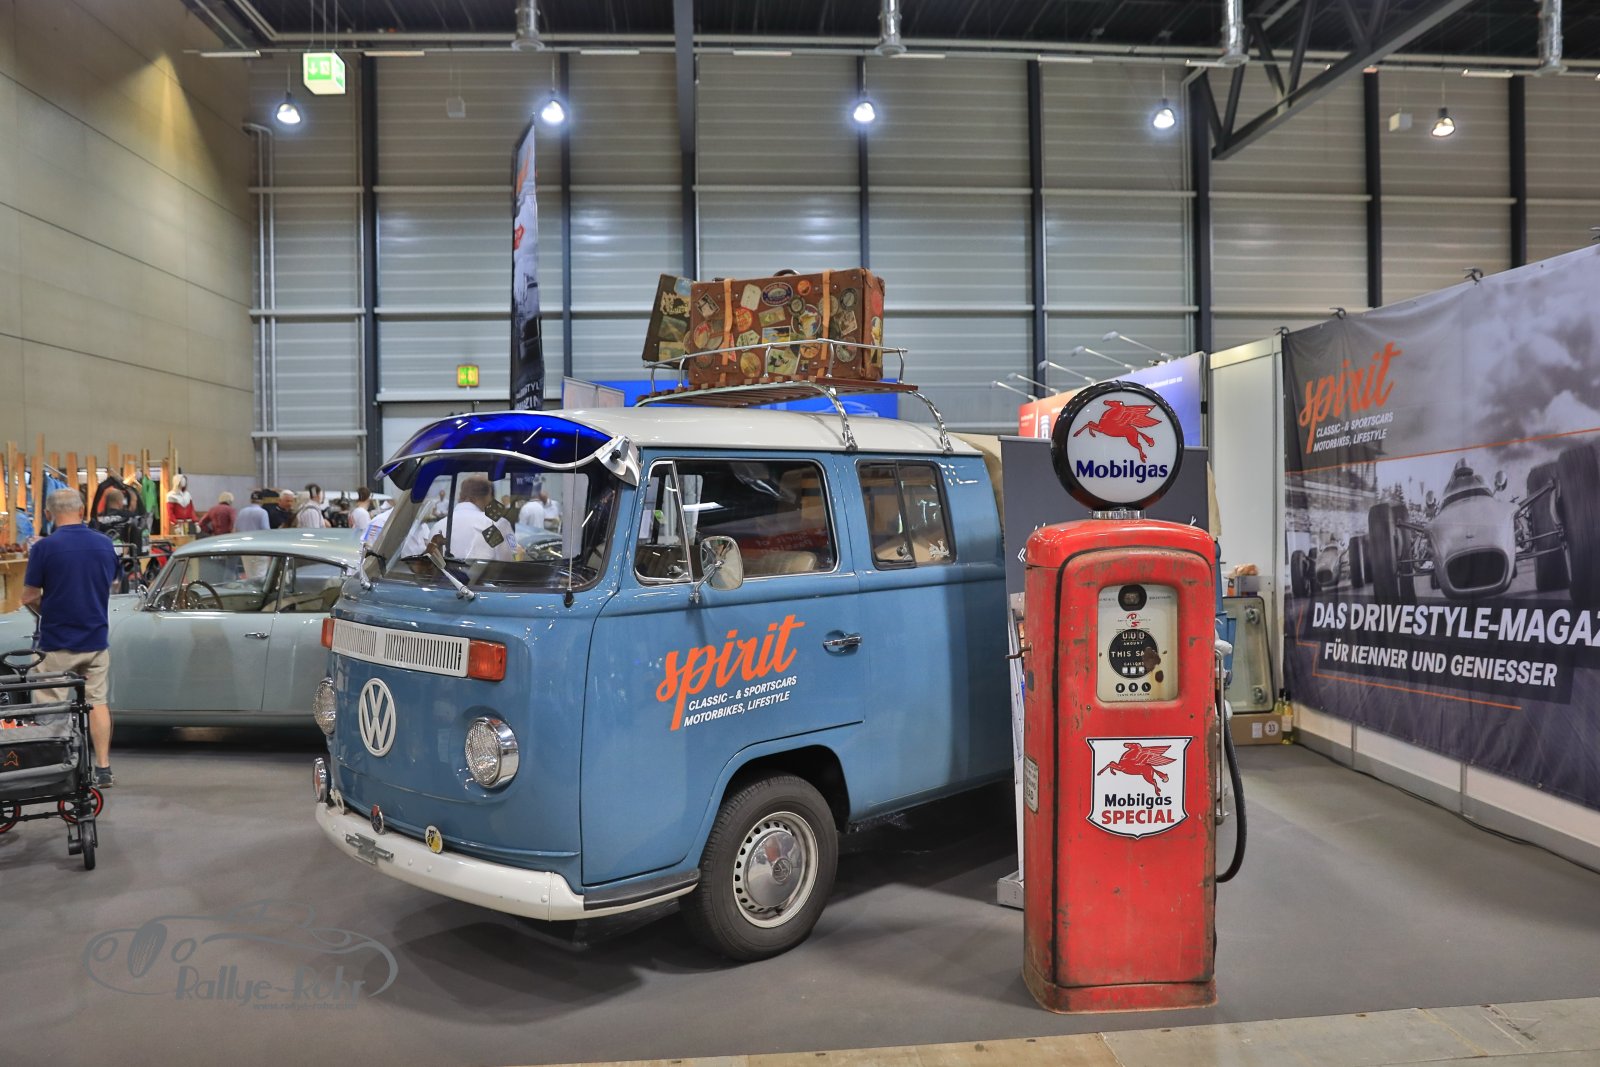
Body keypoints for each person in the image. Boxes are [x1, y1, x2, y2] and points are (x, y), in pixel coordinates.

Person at [22, 488, 120, 787]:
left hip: (57, 641)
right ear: (82, 511)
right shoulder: (105, 544)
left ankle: (54, 766)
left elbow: (29, 596)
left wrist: (48, 611)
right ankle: (103, 768)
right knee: (97, 701)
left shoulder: (44, 548)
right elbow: (112, 585)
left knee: (51, 702)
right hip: (95, 638)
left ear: (48, 514)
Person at [447, 475, 514, 561]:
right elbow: (509, 561)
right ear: (489, 494)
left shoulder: (437, 526)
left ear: (461, 495)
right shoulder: (498, 524)